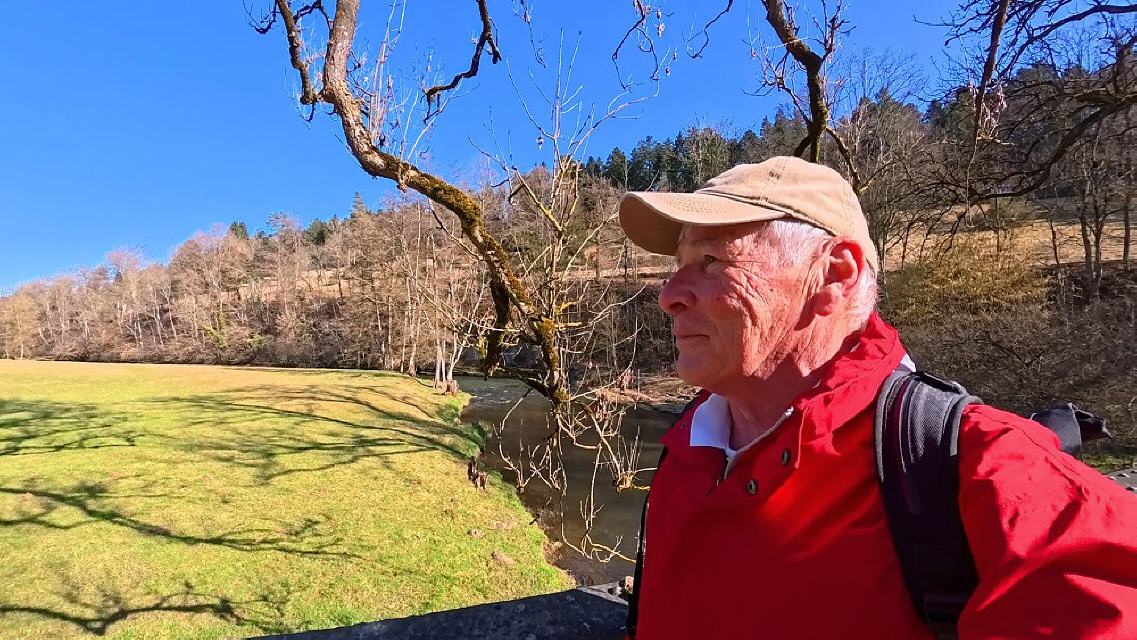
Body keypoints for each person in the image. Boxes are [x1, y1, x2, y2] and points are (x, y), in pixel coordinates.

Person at [618, 156, 1137, 639]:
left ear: (834, 275)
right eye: (680, 264)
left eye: (711, 260)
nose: (669, 295)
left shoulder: (981, 467)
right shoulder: (687, 447)